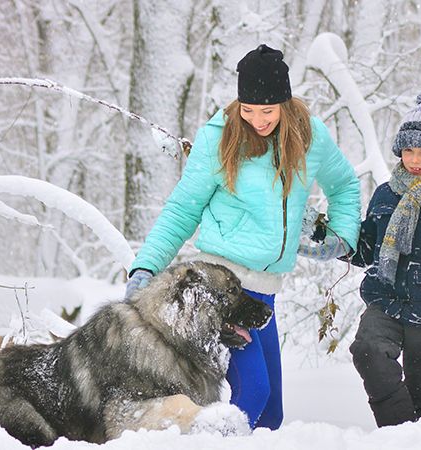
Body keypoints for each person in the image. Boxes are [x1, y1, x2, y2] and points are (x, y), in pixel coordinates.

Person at [125, 44, 361, 430]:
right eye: (248, 110)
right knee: (253, 394)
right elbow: (183, 209)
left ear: (285, 102)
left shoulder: (310, 137)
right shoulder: (220, 138)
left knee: (272, 413)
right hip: (220, 290)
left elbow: (346, 184)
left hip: (264, 292)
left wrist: (341, 235)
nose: (256, 120)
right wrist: (146, 265)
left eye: (267, 111)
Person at [302, 89, 421, 432]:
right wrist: (324, 233)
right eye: (408, 150)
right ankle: (402, 435)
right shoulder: (386, 193)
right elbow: (366, 248)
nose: (415, 159)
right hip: (385, 300)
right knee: (367, 351)